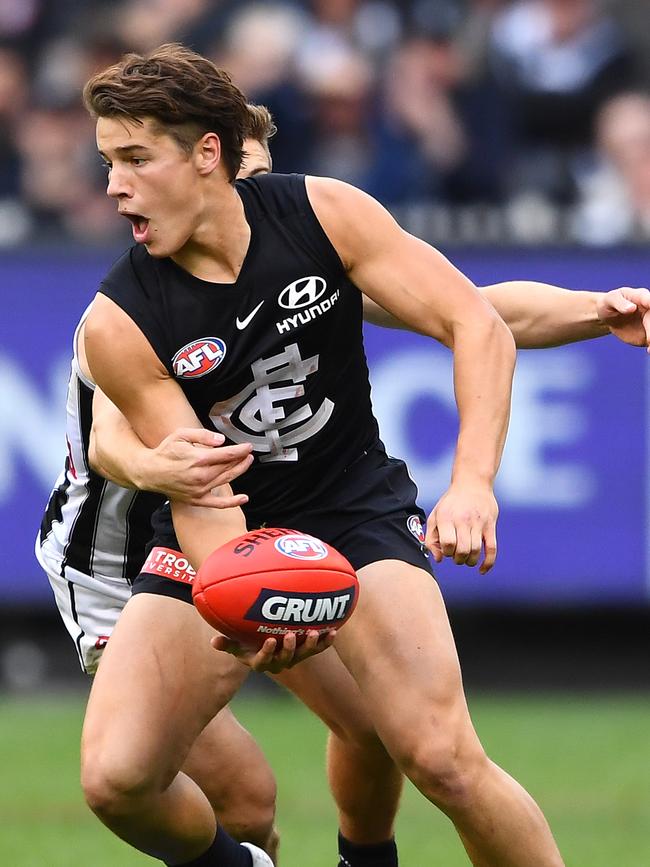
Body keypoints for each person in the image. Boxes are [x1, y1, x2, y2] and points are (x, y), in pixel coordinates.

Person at [78, 42, 572, 867]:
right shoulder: (119, 321)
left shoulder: (322, 212)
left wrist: (473, 482)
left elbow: (476, 323)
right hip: (218, 535)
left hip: (352, 506)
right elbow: (203, 487)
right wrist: (249, 591)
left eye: (134, 157)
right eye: (106, 161)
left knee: (443, 758)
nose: (112, 185)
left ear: (208, 155)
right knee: (116, 777)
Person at [35, 106, 289, 867]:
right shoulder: (135, 307)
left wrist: (587, 310)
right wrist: (149, 467)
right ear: (202, 169)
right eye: (248, 181)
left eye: (266, 183)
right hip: (114, 570)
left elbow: (439, 302)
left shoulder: (279, 265)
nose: (258, 203)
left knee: (252, 801)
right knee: (171, 787)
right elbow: (114, 434)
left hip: (201, 540)